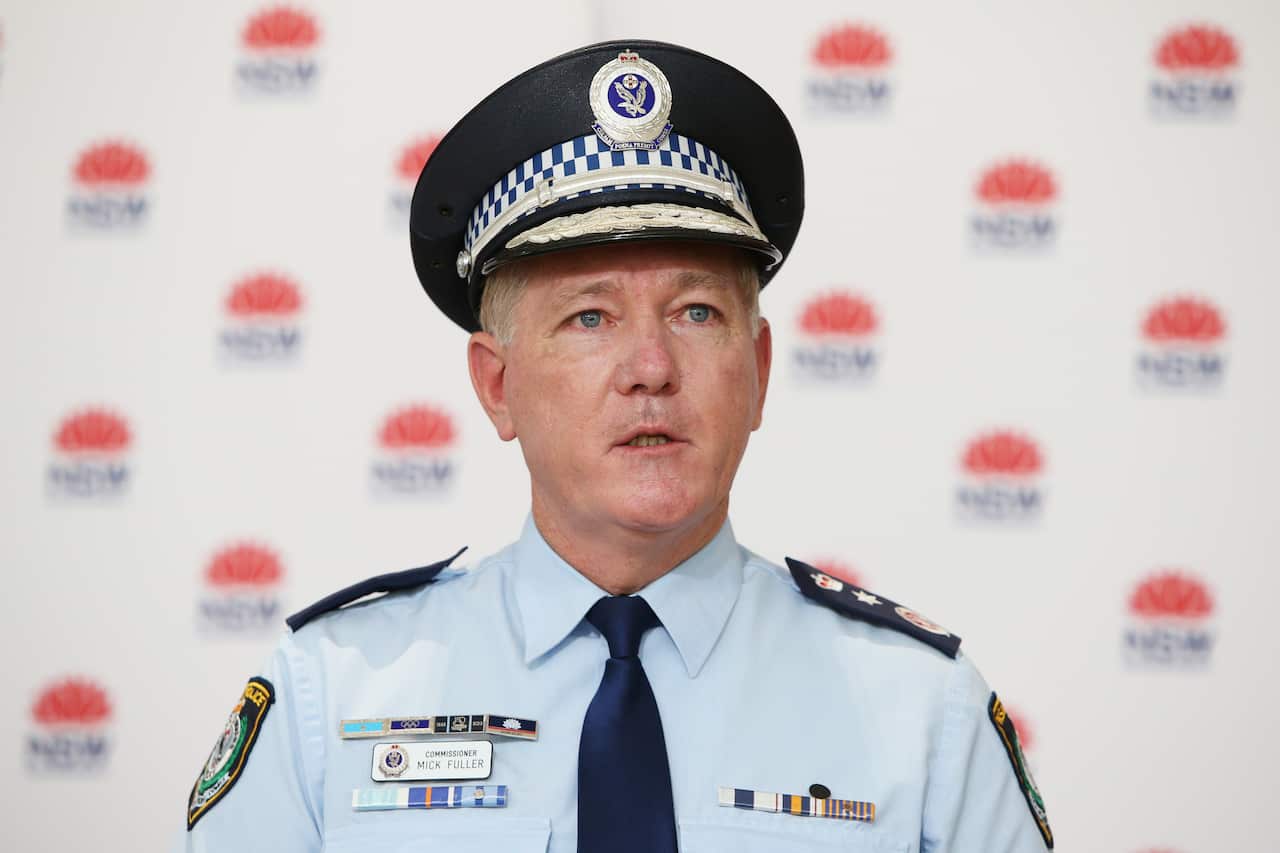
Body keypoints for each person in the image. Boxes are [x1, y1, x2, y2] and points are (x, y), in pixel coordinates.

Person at [181, 40, 1052, 852]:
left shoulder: (919, 709)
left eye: (697, 313)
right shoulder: (332, 694)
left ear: (757, 368)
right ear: (496, 385)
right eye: (589, 316)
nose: (650, 368)